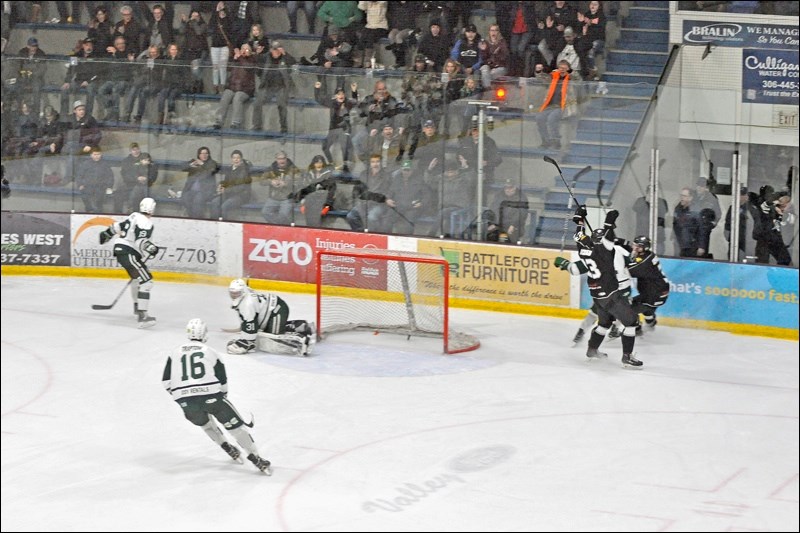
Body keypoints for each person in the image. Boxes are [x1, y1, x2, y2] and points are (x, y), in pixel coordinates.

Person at [162, 318, 272, 474]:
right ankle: (256, 458)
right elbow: (222, 380)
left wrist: (183, 398)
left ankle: (226, 446)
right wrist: (220, 399)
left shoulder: (175, 352)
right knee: (236, 428)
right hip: (212, 396)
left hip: (185, 401)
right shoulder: (211, 352)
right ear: (204, 333)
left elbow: (166, 381)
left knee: (206, 424)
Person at [556, 206, 642, 367]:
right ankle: (627, 356)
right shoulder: (605, 250)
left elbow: (579, 237)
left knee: (604, 323)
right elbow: (608, 239)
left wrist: (579, 220)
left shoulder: (585, 251)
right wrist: (609, 221)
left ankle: (592, 350)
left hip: (597, 297)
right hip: (611, 295)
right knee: (631, 321)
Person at [97, 197, 160, 327]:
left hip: (121, 250)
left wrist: (106, 234)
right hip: (129, 251)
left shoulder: (134, 216)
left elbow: (118, 227)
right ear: (152, 209)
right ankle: (143, 316)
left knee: (136, 279)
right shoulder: (146, 222)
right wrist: (150, 248)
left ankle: (137, 307)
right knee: (147, 282)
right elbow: (140, 240)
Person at [226, 279, 315, 356]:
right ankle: (303, 326)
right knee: (269, 331)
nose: (234, 296)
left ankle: (303, 342)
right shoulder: (246, 295)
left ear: (243, 291)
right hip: (271, 310)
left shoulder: (247, 304)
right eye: (232, 293)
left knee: (274, 338)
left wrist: (247, 342)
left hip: (276, 309)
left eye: (237, 293)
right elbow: (250, 320)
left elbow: (251, 324)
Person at [626, 235, 670, 334]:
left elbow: (630, 271)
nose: (635, 248)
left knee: (628, 310)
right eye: (635, 245)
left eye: (638, 246)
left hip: (657, 293)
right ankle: (651, 322)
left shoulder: (645, 260)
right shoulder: (645, 255)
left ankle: (637, 329)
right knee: (645, 306)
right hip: (652, 291)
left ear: (645, 248)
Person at [251, 41, 296, 137]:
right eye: (274, 49)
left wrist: (285, 54)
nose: (276, 51)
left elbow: (293, 63)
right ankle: (257, 126)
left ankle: (284, 127)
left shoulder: (285, 57)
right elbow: (257, 68)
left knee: (281, 104)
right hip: (267, 86)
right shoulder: (265, 57)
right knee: (257, 102)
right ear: (271, 50)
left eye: (278, 49)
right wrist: (257, 55)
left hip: (281, 86)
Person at [534, 59, 576, 150]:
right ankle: (546, 141)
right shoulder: (553, 76)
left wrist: (571, 72)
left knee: (551, 119)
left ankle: (556, 141)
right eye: (560, 68)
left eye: (565, 68)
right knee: (539, 118)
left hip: (563, 106)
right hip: (549, 105)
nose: (562, 70)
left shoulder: (571, 79)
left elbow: (578, 79)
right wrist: (538, 71)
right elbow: (541, 78)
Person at [315, 79, 357, 170]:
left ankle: (346, 168)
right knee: (325, 147)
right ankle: (331, 163)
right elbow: (319, 100)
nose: (341, 95)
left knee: (344, 148)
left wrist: (354, 91)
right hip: (333, 129)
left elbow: (355, 102)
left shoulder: (347, 103)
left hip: (344, 129)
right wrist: (317, 89)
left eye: (342, 94)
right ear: (335, 96)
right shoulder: (332, 103)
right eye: (339, 94)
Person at [213, 43, 257, 129]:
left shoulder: (252, 60)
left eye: (247, 49)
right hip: (232, 87)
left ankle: (236, 122)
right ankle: (219, 121)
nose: (244, 51)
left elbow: (248, 67)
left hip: (245, 89)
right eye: (242, 49)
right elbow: (227, 68)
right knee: (225, 96)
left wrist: (240, 57)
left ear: (250, 52)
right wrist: (233, 58)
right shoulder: (236, 60)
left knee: (237, 97)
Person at [260, 150, 302, 225]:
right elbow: (262, 181)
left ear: (286, 159)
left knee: (283, 216)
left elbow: (299, 184)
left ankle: (280, 227)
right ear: (276, 159)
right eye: (279, 159)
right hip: (273, 197)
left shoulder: (294, 169)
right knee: (265, 212)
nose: (281, 161)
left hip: (287, 198)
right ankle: (279, 226)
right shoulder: (271, 169)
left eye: (283, 158)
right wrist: (271, 182)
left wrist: (286, 184)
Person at [210, 149, 252, 220]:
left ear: (241, 159)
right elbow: (226, 181)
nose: (236, 160)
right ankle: (215, 222)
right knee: (214, 202)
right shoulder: (230, 169)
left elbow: (241, 187)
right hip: (229, 194)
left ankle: (224, 225)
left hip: (240, 196)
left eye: (238, 158)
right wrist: (221, 186)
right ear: (231, 159)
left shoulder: (244, 170)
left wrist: (225, 190)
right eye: (234, 158)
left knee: (225, 206)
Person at [181, 146, 220, 219]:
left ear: (208, 155)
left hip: (205, 191)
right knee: (185, 198)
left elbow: (213, 170)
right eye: (202, 153)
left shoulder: (212, 163)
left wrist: (202, 164)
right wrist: (191, 165)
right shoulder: (194, 161)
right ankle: (192, 217)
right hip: (191, 190)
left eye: (206, 153)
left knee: (198, 200)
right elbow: (182, 167)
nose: (204, 155)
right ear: (199, 155)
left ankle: (197, 220)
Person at [488, 178, 530, 244]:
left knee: (508, 238)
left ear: (515, 187)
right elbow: (494, 209)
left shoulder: (522, 197)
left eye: (511, 188)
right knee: (489, 234)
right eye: (506, 188)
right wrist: (493, 223)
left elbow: (522, 213)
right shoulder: (499, 195)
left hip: (514, 226)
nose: (508, 190)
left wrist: (513, 225)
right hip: (499, 224)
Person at [631, 184, 669, 255]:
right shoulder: (640, 201)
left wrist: (654, 202)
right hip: (642, 237)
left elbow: (663, 212)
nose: (652, 194)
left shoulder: (662, 202)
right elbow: (636, 209)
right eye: (649, 192)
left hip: (658, 238)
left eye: (654, 192)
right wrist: (646, 201)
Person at [723, 186, 758, 260]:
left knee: (747, 260)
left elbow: (756, 225)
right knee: (732, 258)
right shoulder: (732, 208)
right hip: (734, 239)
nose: (740, 197)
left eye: (743, 195)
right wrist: (728, 236)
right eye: (739, 195)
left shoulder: (751, 209)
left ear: (746, 196)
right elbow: (727, 223)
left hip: (747, 240)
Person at [76, 146, 114, 213]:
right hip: (87, 186)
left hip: (100, 187)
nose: (97, 156)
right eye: (95, 154)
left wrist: (109, 186)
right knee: (86, 196)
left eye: (98, 154)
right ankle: (89, 211)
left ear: (101, 154)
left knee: (98, 200)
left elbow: (110, 176)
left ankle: (98, 212)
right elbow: (79, 175)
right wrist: (80, 184)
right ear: (91, 155)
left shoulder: (105, 164)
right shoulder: (85, 164)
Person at [672, 186, 706, 257]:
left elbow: (701, 229)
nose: (682, 198)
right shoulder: (677, 208)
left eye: (684, 196)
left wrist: (701, 246)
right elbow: (675, 224)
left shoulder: (696, 210)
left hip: (691, 245)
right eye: (681, 195)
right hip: (679, 243)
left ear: (690, 198)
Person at [478, 24, 510, 90]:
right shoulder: (485, 42)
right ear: (489, 32)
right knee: (484, 69)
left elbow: (505, 57)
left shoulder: (502, 42)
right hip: (488, 66)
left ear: (498, 32)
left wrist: (496, 55)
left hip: (500, 67)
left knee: (489, 74)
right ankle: (488, 89)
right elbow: (483, 59)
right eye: (492, 30)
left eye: (495, 30)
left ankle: (486, 90)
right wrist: (483, 50)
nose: (493, 32)